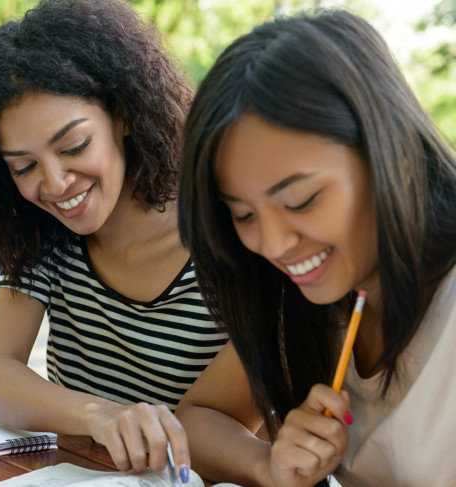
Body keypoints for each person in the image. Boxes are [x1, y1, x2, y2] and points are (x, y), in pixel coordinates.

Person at [0, 0, 227, 477]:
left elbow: (223, 430)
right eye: (24, 167)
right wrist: (100, 415)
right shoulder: (45, 237)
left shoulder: (224, 236)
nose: (54, 185)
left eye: (74, 147)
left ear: (124, 115)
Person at [176, 9, 456, 487]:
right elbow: (197, 418)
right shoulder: (313, 300)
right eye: (242, 214)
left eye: (300, 200)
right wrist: (269, 465)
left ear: (396, 155)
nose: (275, 243)